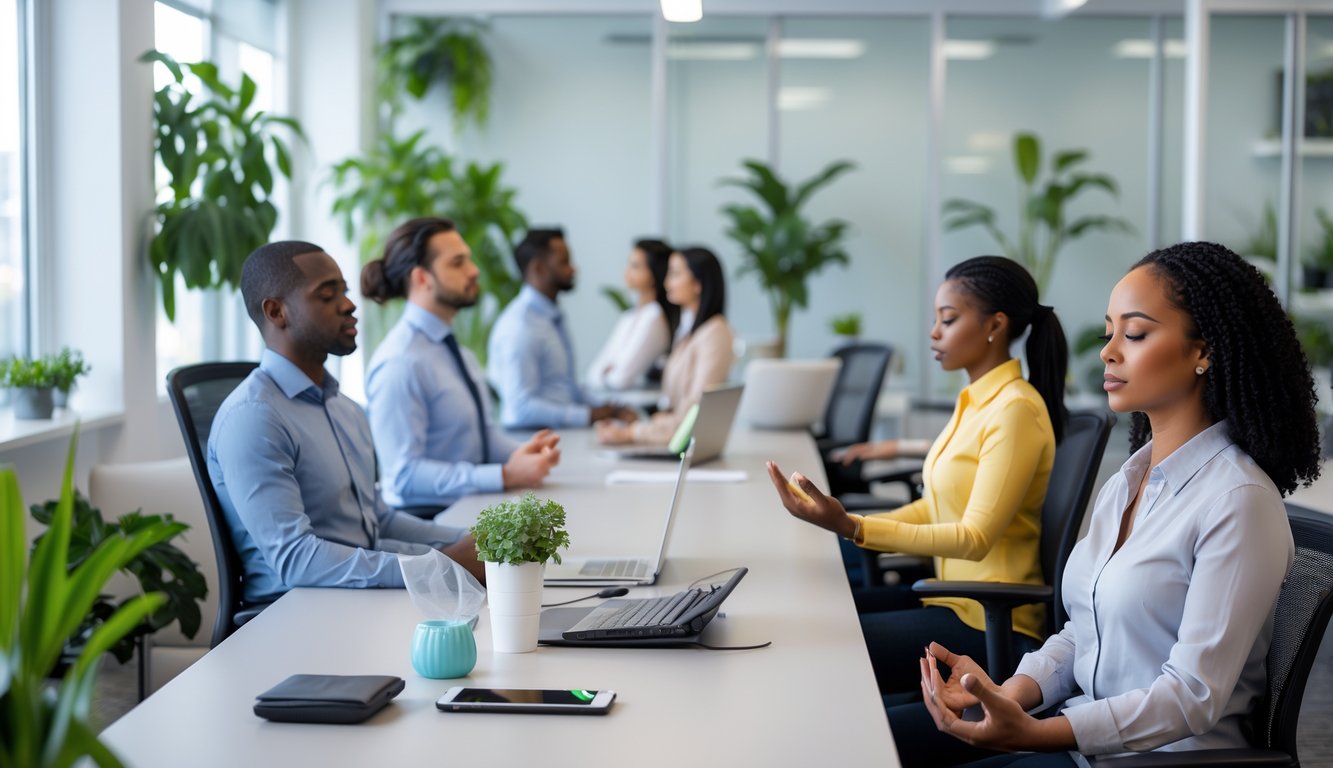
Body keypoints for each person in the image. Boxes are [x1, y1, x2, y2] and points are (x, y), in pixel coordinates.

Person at [899, 242, 1321, 767]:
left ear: (1203, 352)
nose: (1108, 351)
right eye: (1109, 333)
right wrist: (1014, 693)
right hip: (1080, 743)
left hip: (1156, 760)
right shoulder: (1127, 482)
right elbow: (1084, 628)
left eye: (1136, 333)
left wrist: (1036, 733)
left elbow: (1191, 696)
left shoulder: (1238, 502)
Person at [767, 255, 1069, 695]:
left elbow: (975, 537)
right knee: (815, 614)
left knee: (819, 644)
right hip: (951, 599)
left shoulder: (1014, 409)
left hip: (989, 625)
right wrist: (847, 522)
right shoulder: (976, 401)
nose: (933, 332)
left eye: (947, 319)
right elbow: (934, 506)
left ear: (995, 324)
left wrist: (854, 527)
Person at [208, 240, 485, 607]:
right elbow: (297, 561)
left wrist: (477, 540)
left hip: (359, 597)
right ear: (276, 312)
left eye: (345, 291)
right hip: (297, 614)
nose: (350, 305)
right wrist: (436, 567)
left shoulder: (346, 409)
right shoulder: (254, 417)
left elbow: (377, 521)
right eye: (327, 294)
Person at [362, 217, 562, 517]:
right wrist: (505, 475)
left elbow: (477, 436)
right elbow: (403, 475)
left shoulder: (454, 350)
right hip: (432, 523)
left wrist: (520, 454)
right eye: (458, 263)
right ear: (422, 278)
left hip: (473, 509)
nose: (474, 270)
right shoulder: (400, 362)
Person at [488, 227, 637, 429]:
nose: (574, 269)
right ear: (539, 268)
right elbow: (520, 409)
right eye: (564, 262)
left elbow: (566, 388)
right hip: (536, 441)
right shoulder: (520, 326)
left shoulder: (551, 316)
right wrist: (588, 415)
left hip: (561, 437)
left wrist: (607, 408)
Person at [597, 247, 735, 445]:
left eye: (675, 274)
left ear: (698, 283)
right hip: (672, 439)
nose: (667, 282)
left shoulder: (714, 333)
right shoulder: (687, 331)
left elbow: (693, 415)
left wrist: (631, 433)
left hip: (683, 444)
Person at [585, 238, 677, 390]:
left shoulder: (654, 316)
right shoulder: (629, 317)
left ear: (654, 272)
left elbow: (619, 379)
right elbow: (592, 374)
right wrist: (606, 373)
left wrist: (609, 370)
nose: (627, 271)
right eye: (629, 263)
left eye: (635, 266)